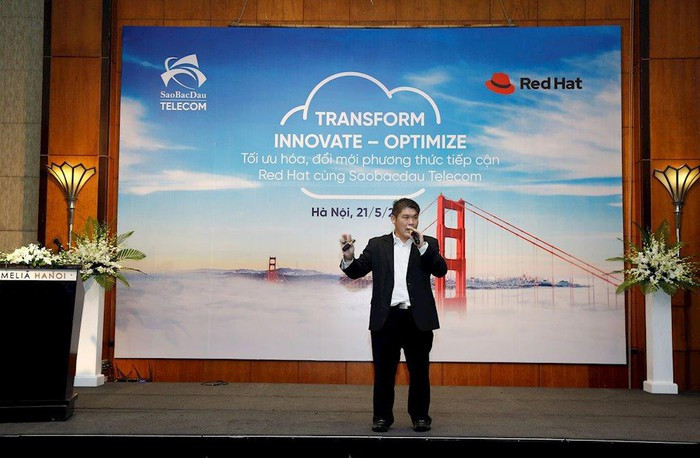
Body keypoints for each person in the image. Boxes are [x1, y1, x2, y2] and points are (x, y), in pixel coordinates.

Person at [339, 198, 448, 433]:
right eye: (405, 217)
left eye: (415, 217)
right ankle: (381, 417)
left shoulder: (429, 243)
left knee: (419, 372)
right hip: (386, 318)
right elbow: (357, 271)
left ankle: (420, 417)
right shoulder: (377, 245)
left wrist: (422, 247)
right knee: (384, 372)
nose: (411, 223)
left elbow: (441, 270)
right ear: (393, 219)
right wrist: (348, 258)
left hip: (417, 319)